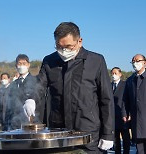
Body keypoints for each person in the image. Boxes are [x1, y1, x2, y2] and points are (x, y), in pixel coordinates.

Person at [23, 22, 114, 153]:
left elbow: (106, 99)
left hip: (88, 132)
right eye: (59, 47)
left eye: (68, 47)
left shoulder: (96, 60)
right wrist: (31, 99)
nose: (64, 51)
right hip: (58, 132)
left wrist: (108, 134)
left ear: (80, 41)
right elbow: (40, 85)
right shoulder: (49, 61)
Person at [122, 54, 146, 154]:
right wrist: (125, 113)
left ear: (144, 62)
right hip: (137, 120)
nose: (135, 63)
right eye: (133, 61)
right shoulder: (130, 80)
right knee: (139, 148)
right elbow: (125, 99)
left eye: (137, 60)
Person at [7, 54, 37, 130]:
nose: (22, 66)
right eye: (19, 64)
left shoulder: (36, 80)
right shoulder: (13, 83)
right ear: (16, 66)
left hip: (30, 121)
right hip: (15, 121)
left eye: (24, 64)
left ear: (28, 65)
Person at [111, 67, 130, 154]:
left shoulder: (125, 85)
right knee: (115, 139)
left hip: (123, 116)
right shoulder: (109, 85)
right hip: (113, 117)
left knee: (125, 138)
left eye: (115, 73)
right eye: (112, 73)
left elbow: (127, 100)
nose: (114, 75)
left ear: (120, 74)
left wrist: (127, 113)